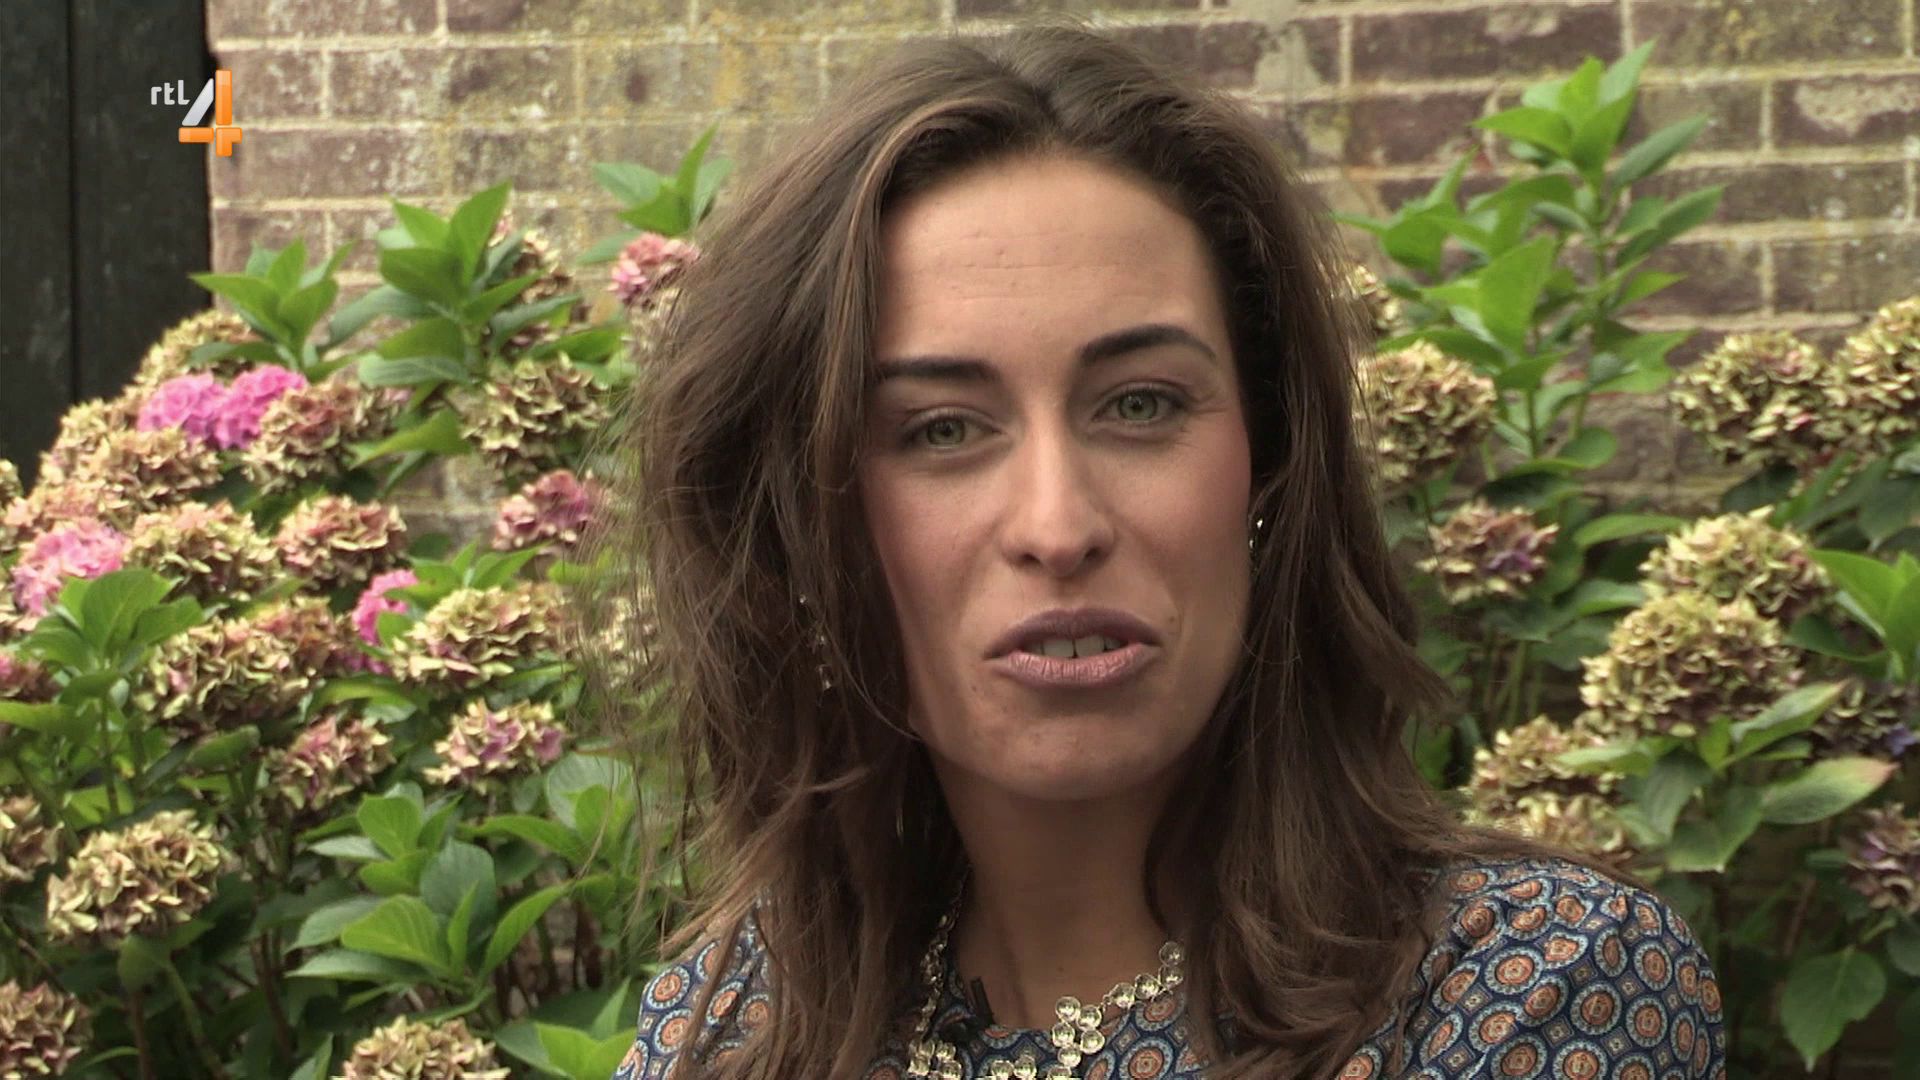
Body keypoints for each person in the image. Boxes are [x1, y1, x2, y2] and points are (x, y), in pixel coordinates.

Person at [587, 17, 1727, 1080]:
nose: (1058, 528)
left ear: (1268, 466)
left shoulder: (1530, 986)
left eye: (1139, 405)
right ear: (799, 525)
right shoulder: (735, 1026)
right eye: (940, 429)